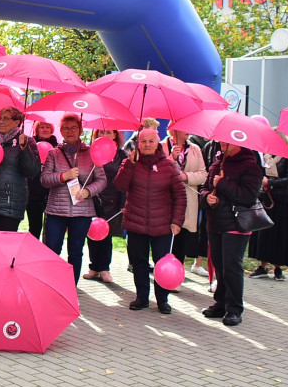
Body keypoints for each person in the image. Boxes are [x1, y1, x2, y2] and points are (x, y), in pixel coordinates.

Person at [114, 128, 186, 313]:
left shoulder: (169, 165)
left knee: (162, 264)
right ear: (137, 143)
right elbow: (120, 186)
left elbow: (180, 195)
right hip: (136, 223)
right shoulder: (130, 163)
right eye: (143, 141)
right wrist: (129, 164)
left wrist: (177, 221)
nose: (146, 145)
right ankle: (142, 297)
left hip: (162, 225)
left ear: (157, 143)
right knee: (139, 262)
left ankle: (162, 300)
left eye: (150, 141)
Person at [199, 140, 264, 327]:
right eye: (221, 140)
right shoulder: (217, 163)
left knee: (231, 267)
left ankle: (235, 308)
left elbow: (248, 197)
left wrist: (224, 182)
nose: (222, 143)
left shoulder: (251, 166)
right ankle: (220, 303)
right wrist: (207, 197)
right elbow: (204, 187)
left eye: (227, 140)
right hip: (215, 221)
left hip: (236, 223)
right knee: (219, 264)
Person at [40, 114, 106, 287]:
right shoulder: (54, 153)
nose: (69, 131)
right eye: (66, 128)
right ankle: (50, 285)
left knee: (76, 252)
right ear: (61, 131)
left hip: (82, 211)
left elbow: (102, 180)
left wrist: (88, 191)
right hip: (56, 211)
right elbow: (44, 179)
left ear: (80, 131)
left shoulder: (92, 154)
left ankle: (70, 287)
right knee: (52, 249)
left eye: (73, 128)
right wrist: (63, 176)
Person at [248, 134, 288, 281]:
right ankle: (262, 265)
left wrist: (270, 182)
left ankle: (278, 267)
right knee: (264, 232)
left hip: (282, 200)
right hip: (266, 198)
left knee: (280, 234)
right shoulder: (265, 155)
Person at [85, 128, 127, 283]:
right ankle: (93, 267)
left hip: (112, 201)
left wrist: (123, 202)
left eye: (109, 132)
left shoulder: (121, 155)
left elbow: (125, 180)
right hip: (93, 197)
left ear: (115, 134)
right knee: (92, 233)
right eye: (101, 132)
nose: (105, 135)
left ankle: (104, 268)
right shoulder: (91, 152)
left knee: (105, 235)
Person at [164, 129, 209, 277]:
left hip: (188, 200)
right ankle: (163, 272)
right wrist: (172, 158)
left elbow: (203, 174)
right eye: (184, 128)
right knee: (165, 237)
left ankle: (176, 274)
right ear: (174, 129)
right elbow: (157, 171)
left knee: (181, 236)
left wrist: (185, 176)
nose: (188, 131)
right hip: (165, 200)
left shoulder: (195, 149)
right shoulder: (162, 146)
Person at [25, 121, 58, 240]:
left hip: (52, 193)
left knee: (51, 230)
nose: (45, 129)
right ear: (36, 130)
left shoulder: (57, 147)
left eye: (48, 127)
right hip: (33, 192)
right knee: (35, 227)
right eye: (42, 127)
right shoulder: (30, 145)